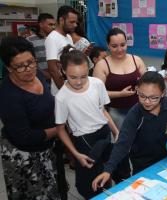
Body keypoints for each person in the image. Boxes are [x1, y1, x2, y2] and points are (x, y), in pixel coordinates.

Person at [91, 71, 167, 191]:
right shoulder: (135, 115)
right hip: (143, 166)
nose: (147, 101)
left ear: (163, 94)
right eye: (142, 96)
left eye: (153, 97)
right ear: (137, 90)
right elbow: (122, 143)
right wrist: (108, 169)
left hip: (166, 159)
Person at [0, 36, 61, 199]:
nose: (28, 69)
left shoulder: (38, 74)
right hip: (24, 155)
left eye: (31, 62)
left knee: (53, 190)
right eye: (20, 66)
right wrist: (59, 129)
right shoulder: (8, 95)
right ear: (8, 68)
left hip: (46, 147)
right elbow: (25, 136)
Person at [55, 46, 119, 199]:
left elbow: (102, 110)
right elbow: (60, 129)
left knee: (106, 170)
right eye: (73, 77)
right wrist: (76, 154)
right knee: (89, 181)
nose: (78, 82)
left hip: (104, 132)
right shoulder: (62, 97)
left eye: (83, 76)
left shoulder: (97, 84)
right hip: (84, 140)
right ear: (63, 71)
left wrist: (115, 130)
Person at [93, 28, 147, 129]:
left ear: (127, 44)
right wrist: (120, 94)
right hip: (115, 112)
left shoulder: (137, 60)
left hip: (138, 108)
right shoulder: (102, 65)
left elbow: (148, 83)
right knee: (121, 140)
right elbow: (97, 94)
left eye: (123, 45)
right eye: (114, 46)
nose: (119, 49)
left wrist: (143, 87)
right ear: (108, 46)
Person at [45, 5, 78, 95]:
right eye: (72, 22)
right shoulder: (52, 38)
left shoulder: (68, 37)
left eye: (76, 22)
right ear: (61, 20)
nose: (75, 25)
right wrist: (64, 90)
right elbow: (53, 69)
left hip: (71, 86)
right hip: (61, 91)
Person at [26, 13, 56, 81]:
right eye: (50, 24)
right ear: (41, 25)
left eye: (54, 25)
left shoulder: (56, 39)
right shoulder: (30, 40)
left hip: (56, 75)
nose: (53, 27)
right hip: (39, 77)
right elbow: (29, 61)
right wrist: (44, 73)